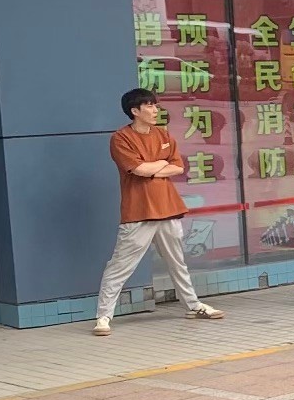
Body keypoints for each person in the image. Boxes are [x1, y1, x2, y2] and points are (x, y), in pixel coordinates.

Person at [94, 88, 224, 337]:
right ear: (135, 111)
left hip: (168, 208)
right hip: (138, 212)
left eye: (155, 105)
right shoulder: (121, 138)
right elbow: (138, 170)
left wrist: (153, 167)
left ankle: (193, 305)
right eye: (150, 106)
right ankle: (103, 316)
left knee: (177, 262)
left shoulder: (163, 134)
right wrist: (160, 164)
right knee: (120, 266)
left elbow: (177, 167)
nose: (155, 110)